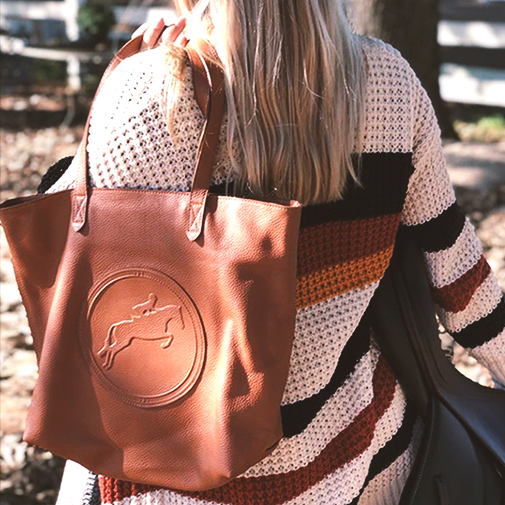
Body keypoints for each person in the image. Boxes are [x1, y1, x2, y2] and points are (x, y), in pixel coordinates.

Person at [51, 1, 504, 504]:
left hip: (176, 480)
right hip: (355, 457)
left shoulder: (144, 97)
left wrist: (120, 80)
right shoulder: (388, 83)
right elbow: (462, 283)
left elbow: (69, 262)